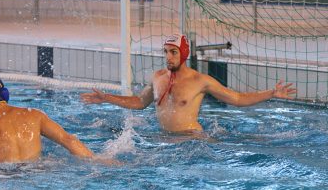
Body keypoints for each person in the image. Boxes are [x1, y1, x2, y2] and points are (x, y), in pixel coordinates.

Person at [81, 34, 296, 134]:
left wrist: (271, 93)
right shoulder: (157, 77)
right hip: (166, 140)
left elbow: (237, 99)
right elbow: (139, 102)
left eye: (173, 52)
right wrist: (106, 98)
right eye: (166, 52)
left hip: (193, 140)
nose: (168, 57)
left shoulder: (199, 81)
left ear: (183, 54)